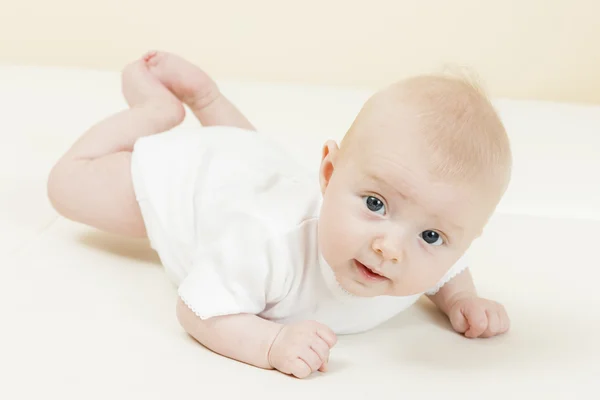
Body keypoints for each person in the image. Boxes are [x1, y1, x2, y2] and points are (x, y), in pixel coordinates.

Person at [47, 51, 512, 379]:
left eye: (430, 236)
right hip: (196, 187)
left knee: (257, 163)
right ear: (329, 174)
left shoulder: (430, 248)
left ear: (466, 237)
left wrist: (461, 300)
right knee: (67, 185)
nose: (390, 249)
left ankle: (209, 101)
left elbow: (449, 268)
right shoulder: (268, 242)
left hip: (262, 173)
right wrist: (270, 345)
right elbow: (197, 307)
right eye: (375, 204)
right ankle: (157, 108)